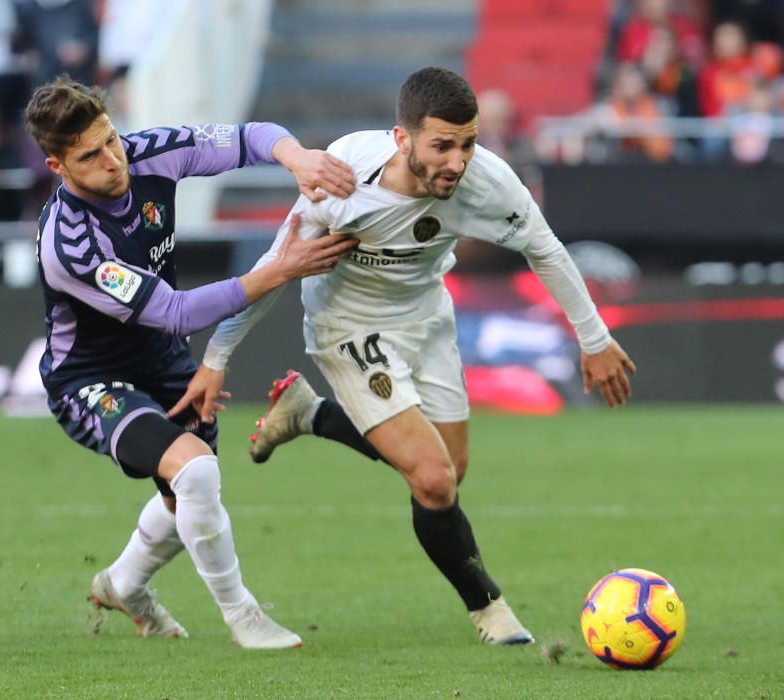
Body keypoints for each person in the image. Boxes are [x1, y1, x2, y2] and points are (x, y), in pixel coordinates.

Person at [171, 67, 637, 647]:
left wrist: (594, 339)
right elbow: (276, 267)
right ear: (402, 139)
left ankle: (309, 414)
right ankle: (489, 608)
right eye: (442, 145)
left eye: (467, 144)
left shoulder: (488, 183)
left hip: (427, 319)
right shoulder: (342, 181)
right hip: (348, 326)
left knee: (449, 471)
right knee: (435, 480)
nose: (457, 161)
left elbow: (545, 249)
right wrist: (218, 355)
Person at [24, 76, 358, 648]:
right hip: (91, 379)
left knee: (188, 494)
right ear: (58, 167)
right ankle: (244, 616)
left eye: (111, 140)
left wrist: (296, 157)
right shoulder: (71, 243)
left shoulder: (151, 152)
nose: (113, 160)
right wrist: (280, 268)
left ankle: (124, 583)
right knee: (196, 470)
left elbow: (251, 137)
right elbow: (176, 310)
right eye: (90, 155)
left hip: (165, 362)